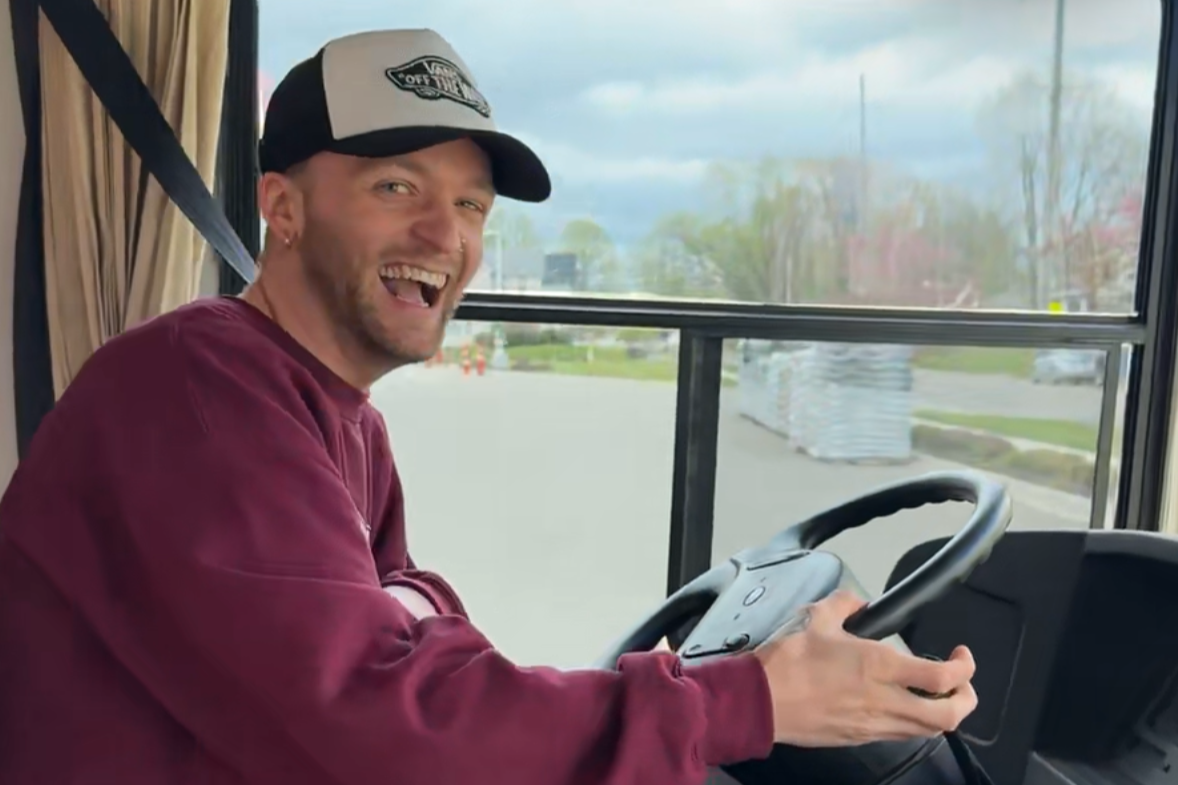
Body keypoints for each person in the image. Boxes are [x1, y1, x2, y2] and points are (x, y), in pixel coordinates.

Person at [0, 28, 978, 784]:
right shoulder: (192, 394)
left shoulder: (340, 420)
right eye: (397, 186)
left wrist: (691, 690)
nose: (445, 232)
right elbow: (382, 718)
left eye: (471, 206)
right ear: (282, 208)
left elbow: (410, 658)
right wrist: (743, 697)